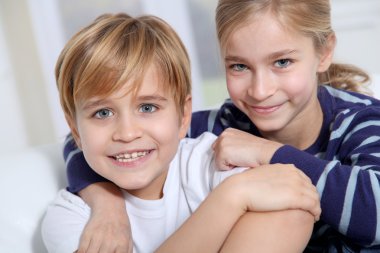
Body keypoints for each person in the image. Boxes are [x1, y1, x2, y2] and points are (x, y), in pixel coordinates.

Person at [59, 0, 380, 252]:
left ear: (323, 52)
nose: (260, 89)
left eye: (282, 62)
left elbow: (375, 211)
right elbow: (82, 142)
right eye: (239, 66)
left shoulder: (362, 122)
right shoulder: (224, 125)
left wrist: (270, 153)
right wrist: (107, 205)